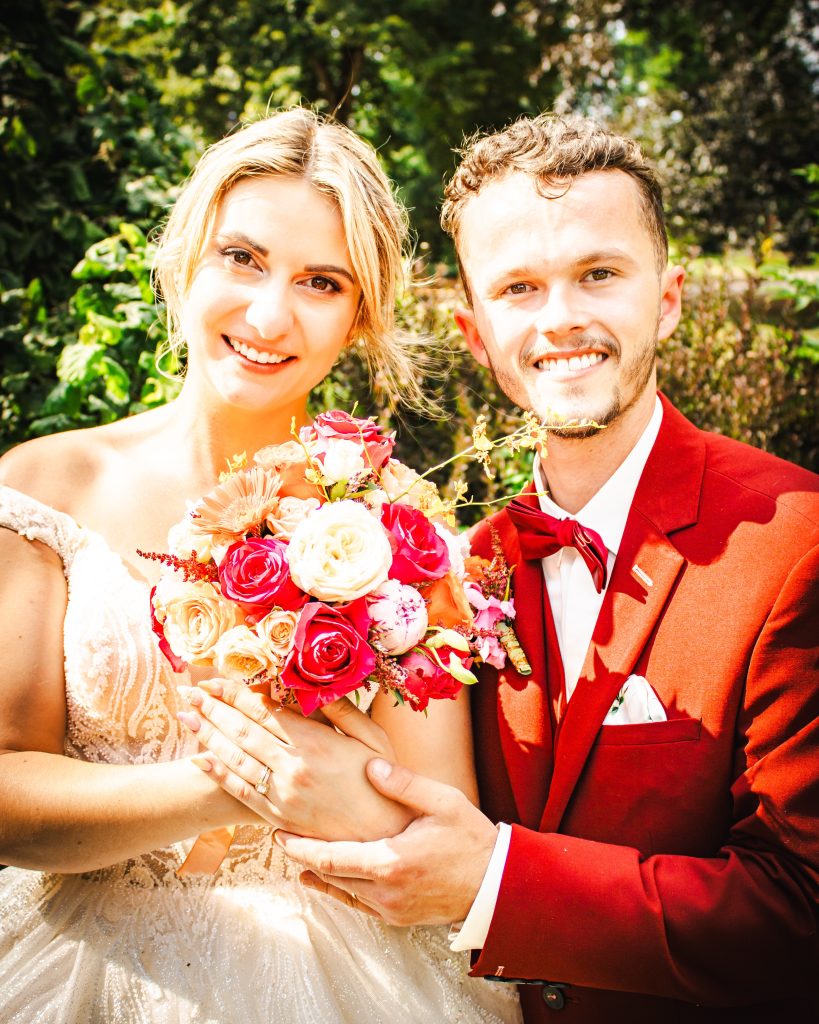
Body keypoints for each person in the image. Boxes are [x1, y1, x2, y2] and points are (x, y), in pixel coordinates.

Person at [180, 114, 819, 1023]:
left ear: (668, 298)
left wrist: (496, 885)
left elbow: (803, 909)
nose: (560, 319)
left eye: (599, 274)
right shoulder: (449, 573)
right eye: (518, 288)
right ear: (473, 331)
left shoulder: (795, 540)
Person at [0, 108, 521, 1024]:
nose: (270, 315)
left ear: (358, 318)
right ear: (185, 259)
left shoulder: (395, 521)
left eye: (321, 282)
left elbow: (436, 816)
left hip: (344, 969)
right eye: (242, 258)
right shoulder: (45, 487)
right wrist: (229, 783)